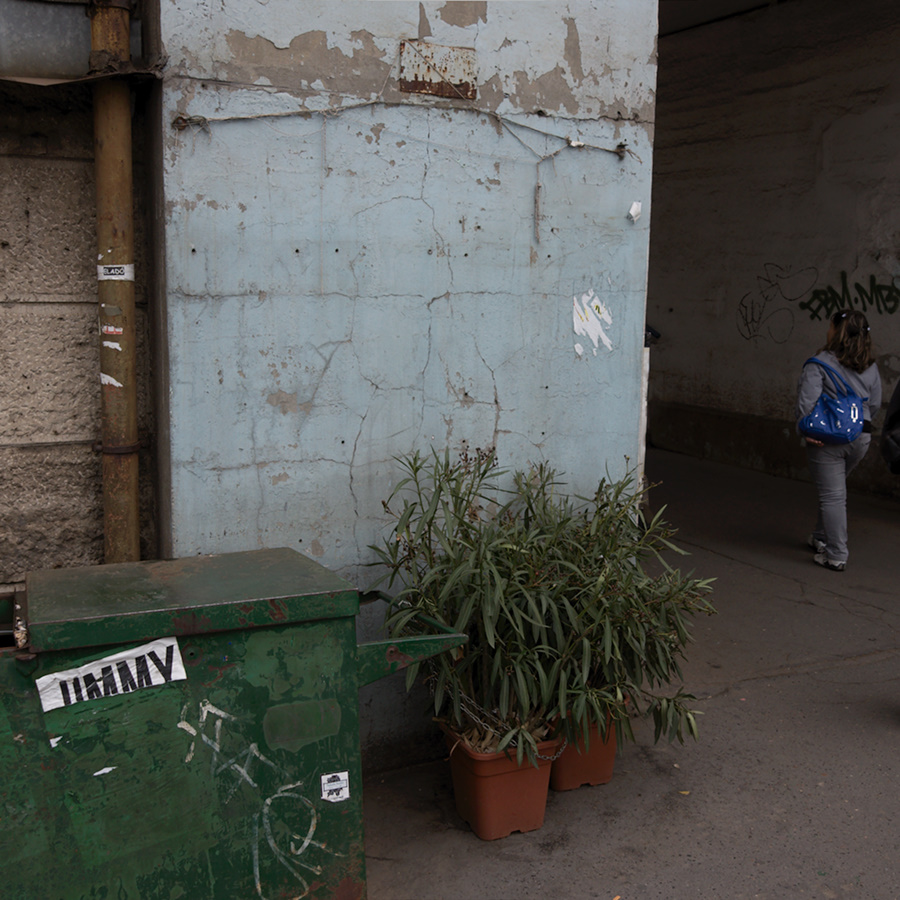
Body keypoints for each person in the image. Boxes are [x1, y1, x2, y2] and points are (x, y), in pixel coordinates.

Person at [795, 309, 881, 571]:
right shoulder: (870, 366)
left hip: (827, 439)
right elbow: (874, 405)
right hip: (860, 437)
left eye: (830, 326)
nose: (827, 330)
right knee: (834, 490)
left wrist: (806, 431)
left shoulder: (818, 364)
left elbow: (806, 405)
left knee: (832, 496)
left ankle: (836, 555)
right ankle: (821, 537)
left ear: (836, 331)